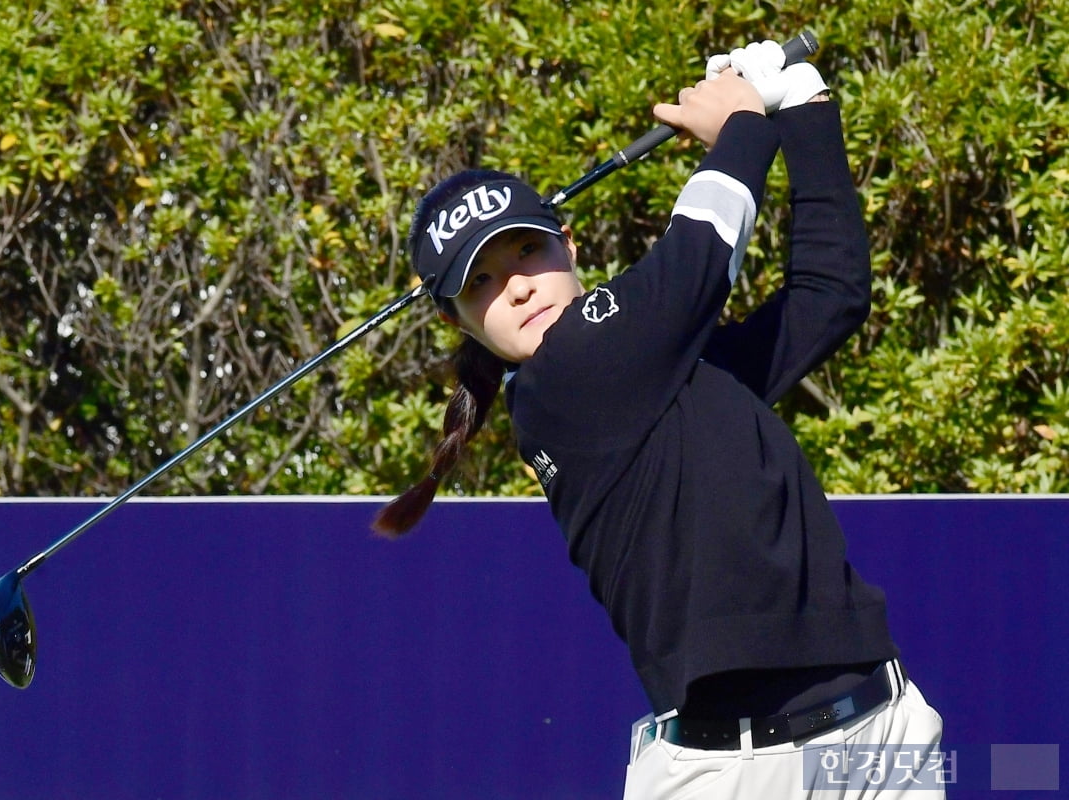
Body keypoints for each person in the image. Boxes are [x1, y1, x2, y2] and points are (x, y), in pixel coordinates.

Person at [375, 43, 944, 799]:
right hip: (731, 775)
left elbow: (829, 295)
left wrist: (805, 108)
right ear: (458, 320)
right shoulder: (559, 385)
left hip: (879, 734)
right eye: (479, 283)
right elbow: (700, 253)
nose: (514, 288)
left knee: (1023, 771)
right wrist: (742, 120)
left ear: (568, 245)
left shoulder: (664, 367)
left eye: (526, 252)